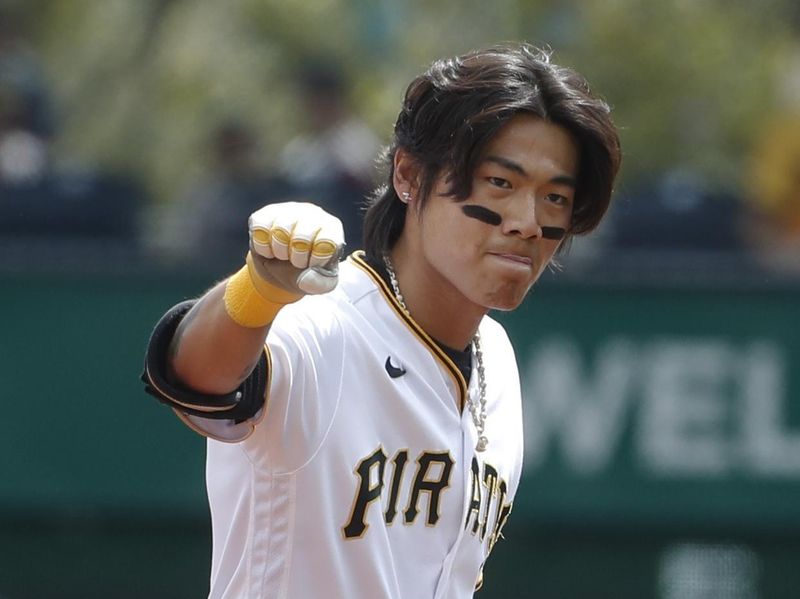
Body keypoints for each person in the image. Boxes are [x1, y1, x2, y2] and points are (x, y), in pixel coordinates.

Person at [142, 43, 621, 598]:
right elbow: (192, 376)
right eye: (500, 183)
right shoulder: (326, 325)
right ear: (409, 176)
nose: (527, 222)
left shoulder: (496, 355)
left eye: (556, 197)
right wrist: (257, 292)